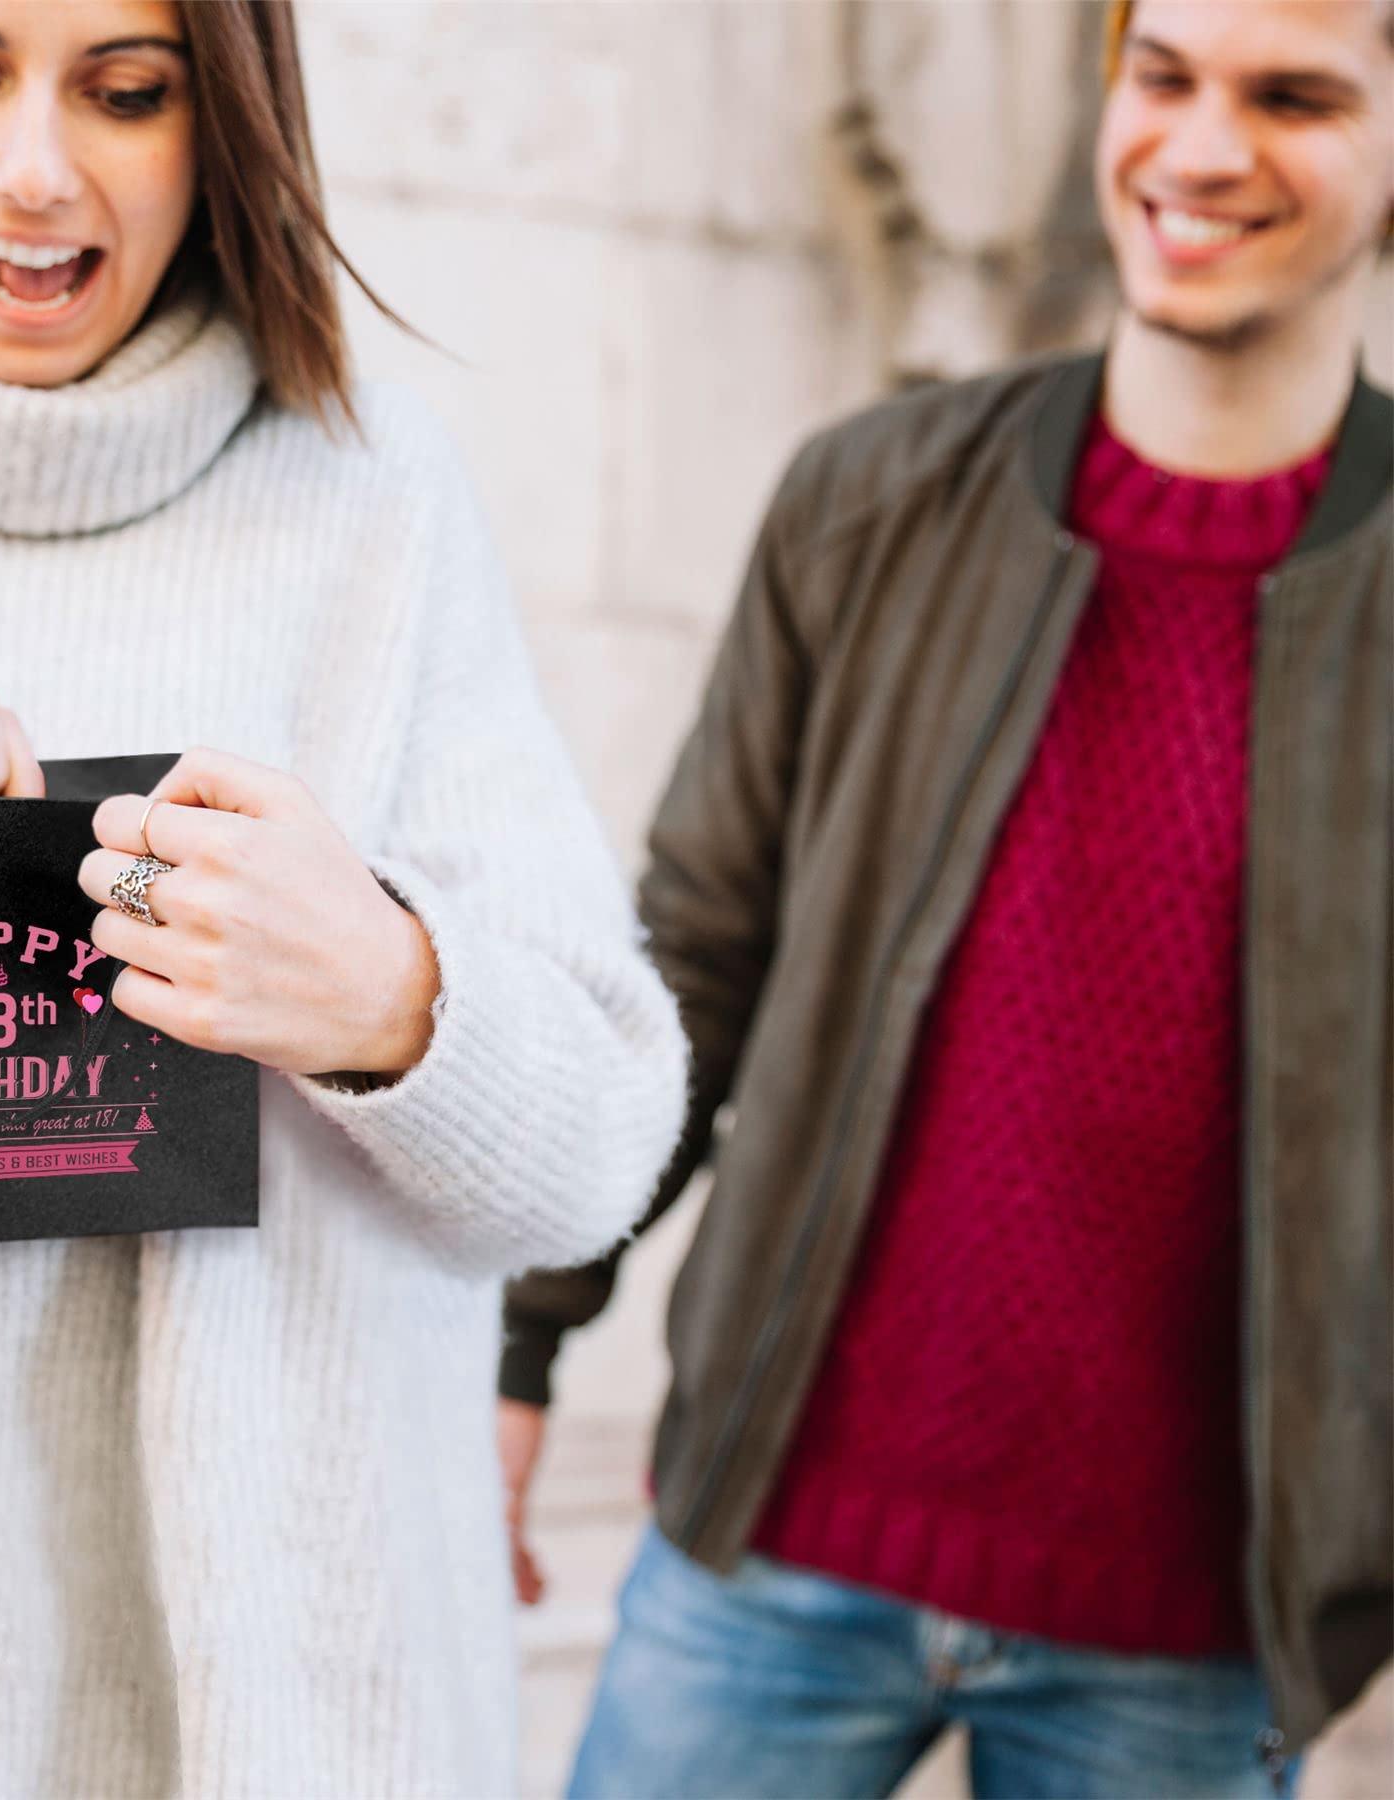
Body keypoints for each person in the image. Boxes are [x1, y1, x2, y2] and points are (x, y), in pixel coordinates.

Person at [0, 3, 687, 1794]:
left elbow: (598, 1143)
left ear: (226, 132)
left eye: (127, 92)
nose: (36, 168)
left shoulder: (370, 508)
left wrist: (395, 997)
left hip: (279, 1727)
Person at [499, 2, 1392, 1794]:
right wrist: (516, 1345)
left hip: (1195, 1647)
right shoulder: (869, 501)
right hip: (763, 1552)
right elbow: (689, 962)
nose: (1203, 149)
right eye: (1167, 77)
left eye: (1292, 97)